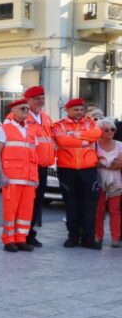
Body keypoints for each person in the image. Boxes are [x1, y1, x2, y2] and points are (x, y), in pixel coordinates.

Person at [53, 98, 102, 249]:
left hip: (88, 170)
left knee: (90, 205)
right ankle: (73, 238)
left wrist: (75, 135)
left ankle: (88, 239)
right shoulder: (58, 124)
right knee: (71, 204)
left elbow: (96, 134)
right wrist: (84, 140)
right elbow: (62, 141)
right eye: (76, 109)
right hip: (68, 170)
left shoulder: (91, 123)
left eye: (81, 109)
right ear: (67, 110)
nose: (80, 112)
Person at [0, 99, 39, 252]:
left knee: (26, 211)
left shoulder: (32, 130)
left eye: (28, 109)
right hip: (12, 178)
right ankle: (8, 240)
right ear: (13, 111)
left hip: (29, 179)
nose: (26, 111)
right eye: (23, 108)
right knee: (10, 210)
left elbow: (35, 156)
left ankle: (21, 239)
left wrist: (36, 178)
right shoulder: (5, 128)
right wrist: (2, 174)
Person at [22, 86, 56, 248]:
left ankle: (30, 233)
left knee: (37, 202)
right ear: (28, 101)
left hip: (42, 166)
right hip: (28, 166)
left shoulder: (46, 117)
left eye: (42, 98)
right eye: (37, 98)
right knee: (27, 202)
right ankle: (22, 235)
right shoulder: (22, 117)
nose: (41, 101)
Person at [95, 118, 122, 247]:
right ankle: (97, 236)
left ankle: (115, 238)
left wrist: (102, 164)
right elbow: (93, 162)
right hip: (99, 180)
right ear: (99, 131)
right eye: (107, 130)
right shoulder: (94, 144)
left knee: (114, 210)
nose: (110, 132)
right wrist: (108, 164)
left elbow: (119, 164)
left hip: (116, 181)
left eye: (113, 129)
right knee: (98, 210)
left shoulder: (120, 145)